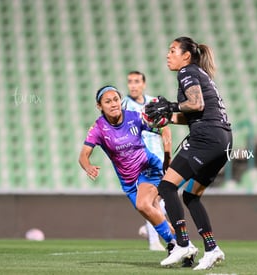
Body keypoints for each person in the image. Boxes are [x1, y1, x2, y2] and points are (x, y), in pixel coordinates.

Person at [144, 36, 233, 270]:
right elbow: (196, 112)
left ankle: (183, 244)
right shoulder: (199, 73)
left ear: (186, 56)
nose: (168, 54)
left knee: (166, 187)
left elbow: (196, 104)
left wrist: (170, 105)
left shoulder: (186, 72)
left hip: (206, 138)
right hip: (222, 140)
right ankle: (212, 248)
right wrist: (169, 117)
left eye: (173, 50)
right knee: (191, 196)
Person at [78, 85, 176, 252]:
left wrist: (167, 157)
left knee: (144, 205)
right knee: (152, 212)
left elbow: (164, 128)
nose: (113, 104)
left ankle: (174, 246)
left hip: (148, 168)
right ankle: (181, 243)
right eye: (107, 101)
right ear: (99, 106)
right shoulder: (98, 129)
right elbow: (83, 156)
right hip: (129, 181)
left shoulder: (135, 117)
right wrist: (88, 167)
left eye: (116, 99)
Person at [121, 71, 170, 251]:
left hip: (158, 155)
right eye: (130, 82)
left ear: (143, 84)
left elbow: (164, 127)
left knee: (163, 197)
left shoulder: (152, 103)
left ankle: (151, 227)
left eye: (136, 81)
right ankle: (154, 240)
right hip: (140, 158)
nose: (133, 85)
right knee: (152, 199)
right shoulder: (124, 105)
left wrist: (167, 152)